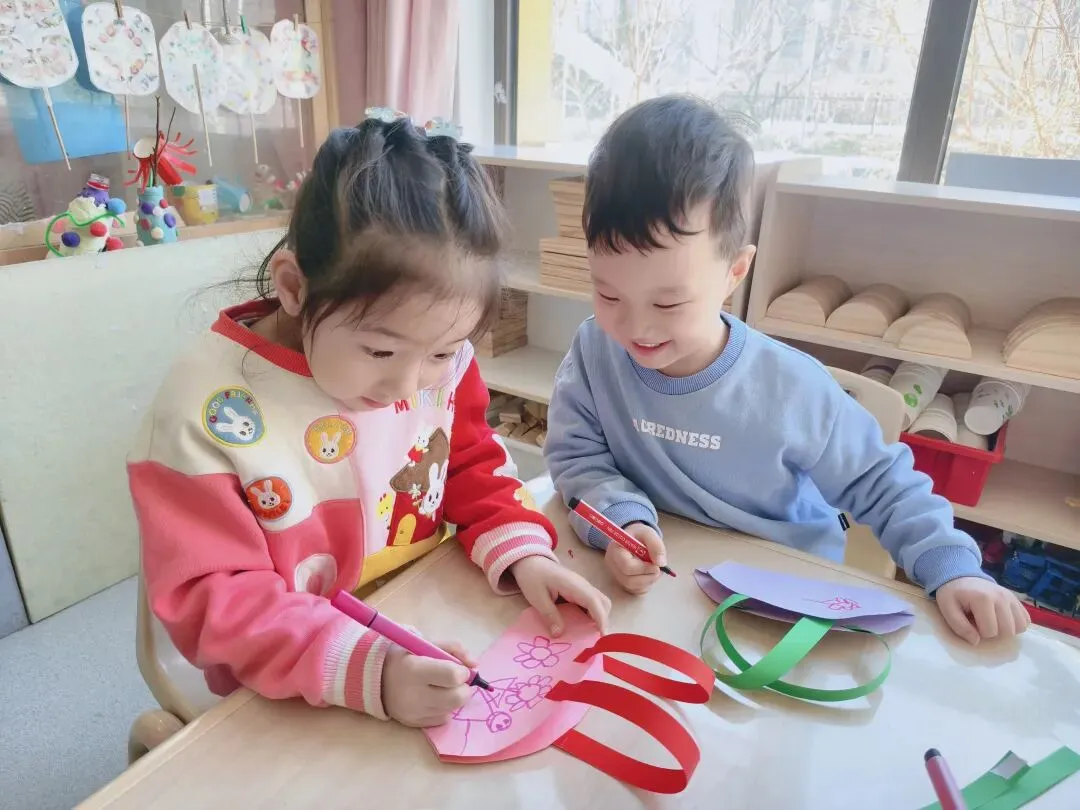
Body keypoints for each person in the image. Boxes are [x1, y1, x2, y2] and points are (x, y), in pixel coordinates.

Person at [128, 112, 610, 730]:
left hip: (424, 626)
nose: (407, 387)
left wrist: (524, 555)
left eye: (442, 352)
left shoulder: (437, 360)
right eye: (380, 352)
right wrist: (370, 672)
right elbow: (215, 601)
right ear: (294, 287)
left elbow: (468, 462)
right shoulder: (203, 413)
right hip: (289, 677)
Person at [544, 95, 1028, 646]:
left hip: (781, 604)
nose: (636, 327)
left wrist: (954, 568)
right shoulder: (594, 352)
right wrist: (623, 523)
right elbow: (577, 458)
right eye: (608, 295)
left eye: (668, 303)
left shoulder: (793, 388)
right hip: (664, 595)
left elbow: (882, 484)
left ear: (735, 271)